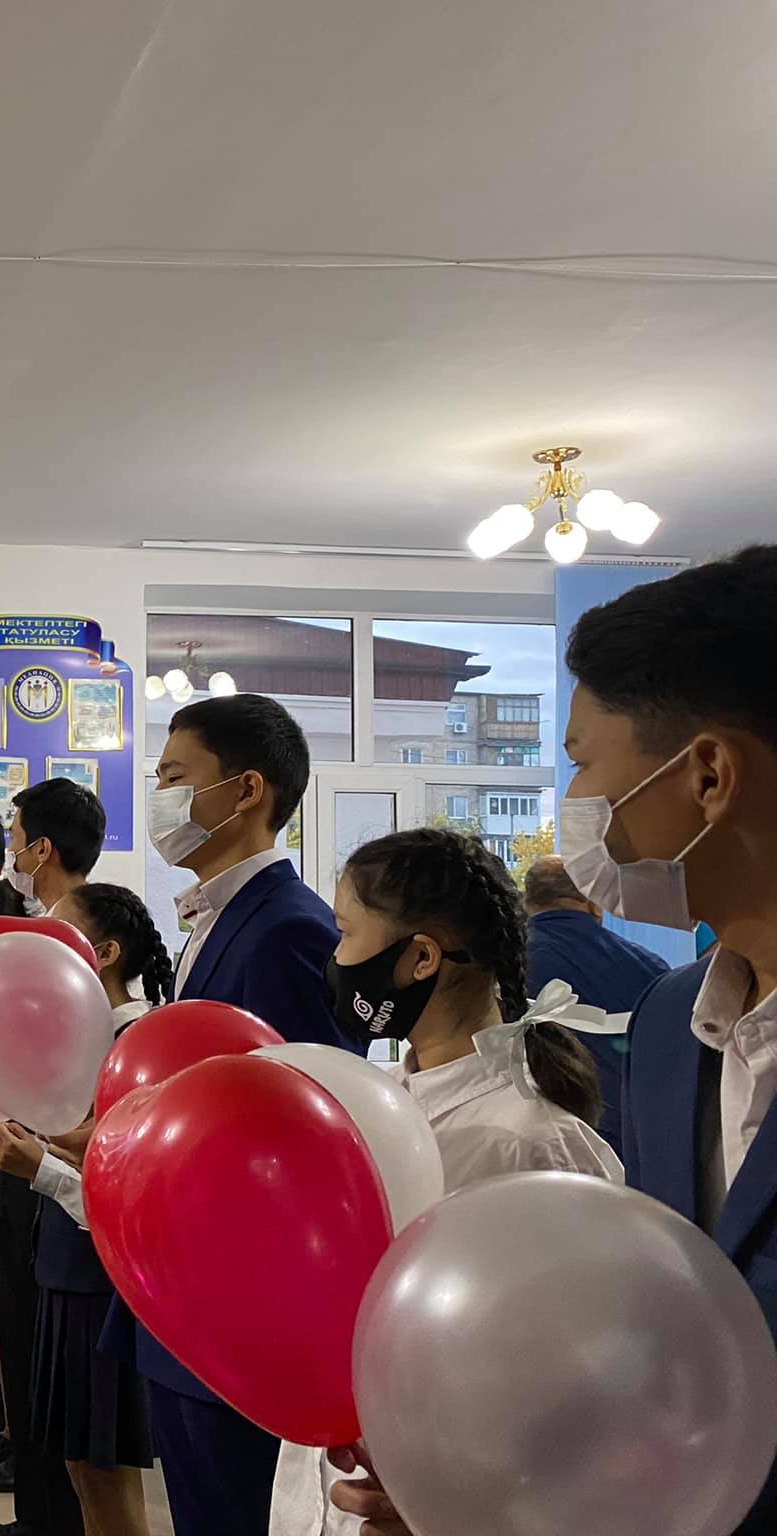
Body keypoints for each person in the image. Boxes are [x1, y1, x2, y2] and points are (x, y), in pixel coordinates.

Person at [343, 546, 777, 1536]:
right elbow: (659, 1352)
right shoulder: (671, 1025)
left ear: (707, 774)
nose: (571, 804)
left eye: (582, 762)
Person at [275, 829, 618, 1536]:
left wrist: (460, 1499)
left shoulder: (529, 1141)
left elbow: (571, 1384)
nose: (334, 959)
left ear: (420, 958)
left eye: (345, 933)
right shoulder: (375, 1101)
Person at [131, 691, 346, 1536]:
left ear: (246, 789)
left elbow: (302, 1134)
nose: (159, 797)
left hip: (239, 1303)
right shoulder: (213, 918)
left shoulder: (288, 929)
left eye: (174, 777)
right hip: (186, 1275)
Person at [0, 881, 172, 1536]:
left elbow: (129, 1187)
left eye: (61, 939)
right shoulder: (85, 1037)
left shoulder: (140, 1045)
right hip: (65, 1265)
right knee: (79, 1465)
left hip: (100, 1277)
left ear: (107, 953)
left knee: (103, 1469)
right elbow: (85, 1139)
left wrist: (39, 1167)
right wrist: (22, 1137)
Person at [0, 776, 111, 1536]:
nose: (12, 853)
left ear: (41, 849)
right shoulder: (33, 933)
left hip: (49, 1163)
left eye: (16, 839)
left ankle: (46, 1509)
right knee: (19, 1329)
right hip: (19, 1145)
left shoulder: (73, 941)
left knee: (38, 1337)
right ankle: (32, 1490)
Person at [521, 853, 668, 1156]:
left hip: (540, 1147)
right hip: (636, 1142)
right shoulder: (649, 967)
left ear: (528, 903)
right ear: (593, 903)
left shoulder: (504, 968)